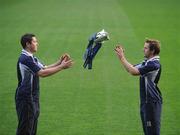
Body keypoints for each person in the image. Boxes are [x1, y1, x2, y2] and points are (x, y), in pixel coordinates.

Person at [15, 33, 73, 135]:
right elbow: (42, 73)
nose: (37, 43)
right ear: (28, 44)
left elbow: (44, 67)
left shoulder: (32, 58)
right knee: (25, 130)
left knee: (32, 128)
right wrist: (61, 67)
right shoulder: (25, 59)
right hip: (25, 98)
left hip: (33, 98)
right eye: (35, 41)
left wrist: (60, 62)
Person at [114, 39, 163, 135]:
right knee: (148, 132)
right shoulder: (147, 62)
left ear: (152, 51)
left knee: (152, 133)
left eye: (145, 48)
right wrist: (121, 57)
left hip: (151, 103)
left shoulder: (154, 64)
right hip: (145, 102)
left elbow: (134, 72)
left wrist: (122, 58)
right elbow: (131, 68)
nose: (143, 50)